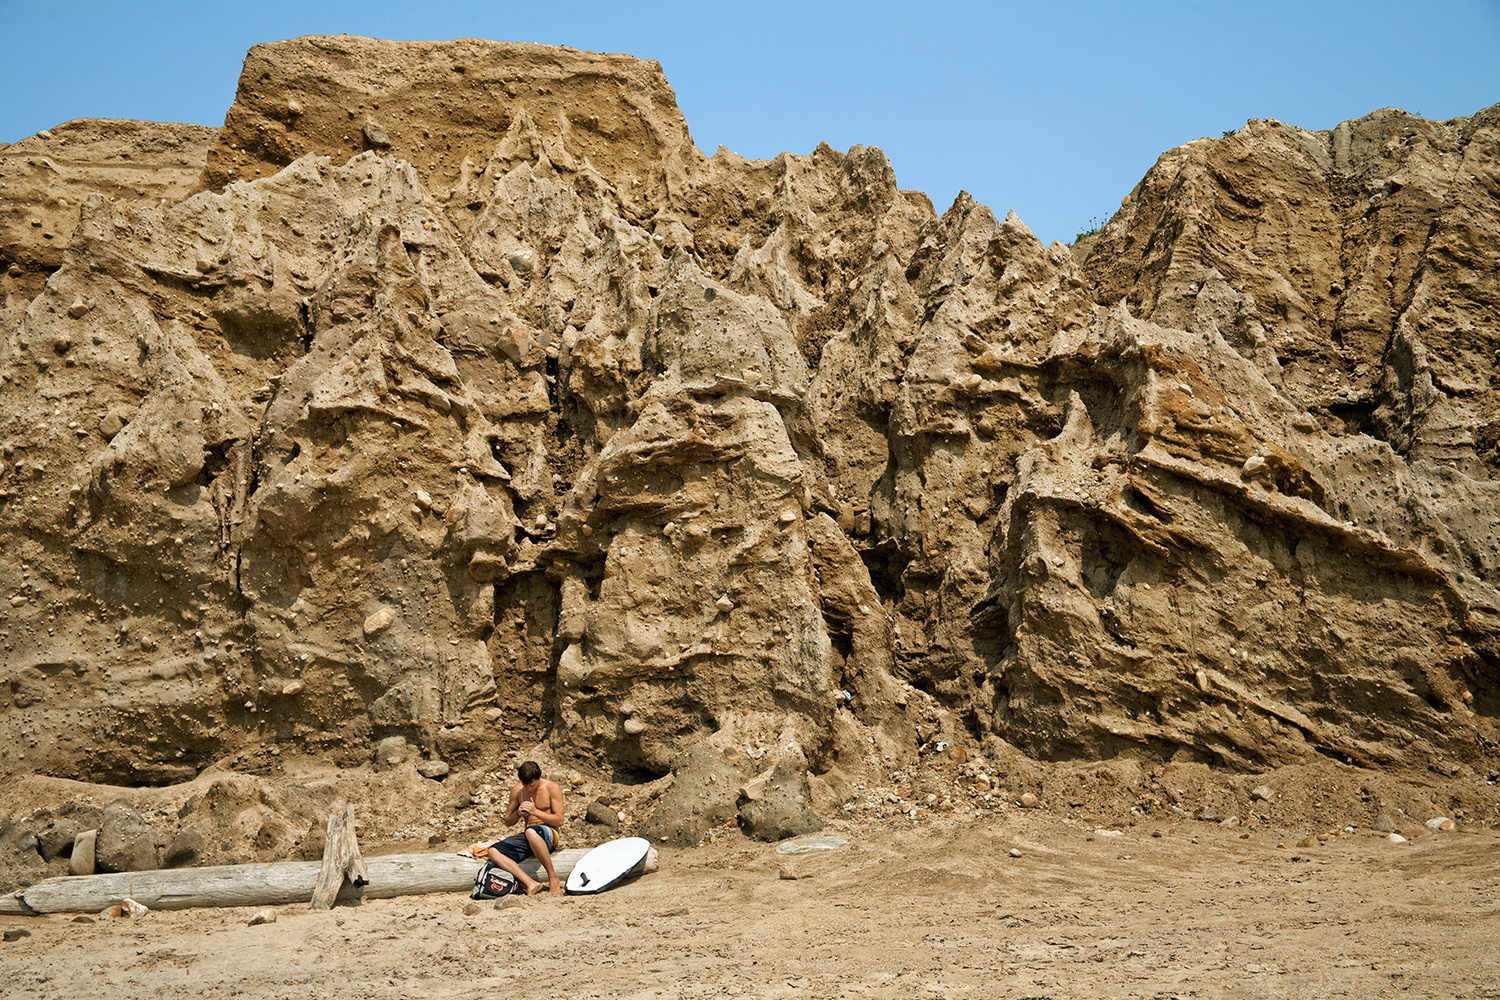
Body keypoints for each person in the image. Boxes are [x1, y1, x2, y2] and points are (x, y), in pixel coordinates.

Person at [484, 760, 565, 895]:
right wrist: (518, 813)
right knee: (493, 851)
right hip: (529, 835)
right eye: (525, 785)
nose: (529, 789)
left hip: (550, 833)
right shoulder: (517, 791)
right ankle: (530, 883)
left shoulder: (552, 788)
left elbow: (559, 820)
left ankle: (553, 877)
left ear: (538, 778)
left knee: (531, 832)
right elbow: (508, 821)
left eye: (532, 785)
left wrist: (535, 812)